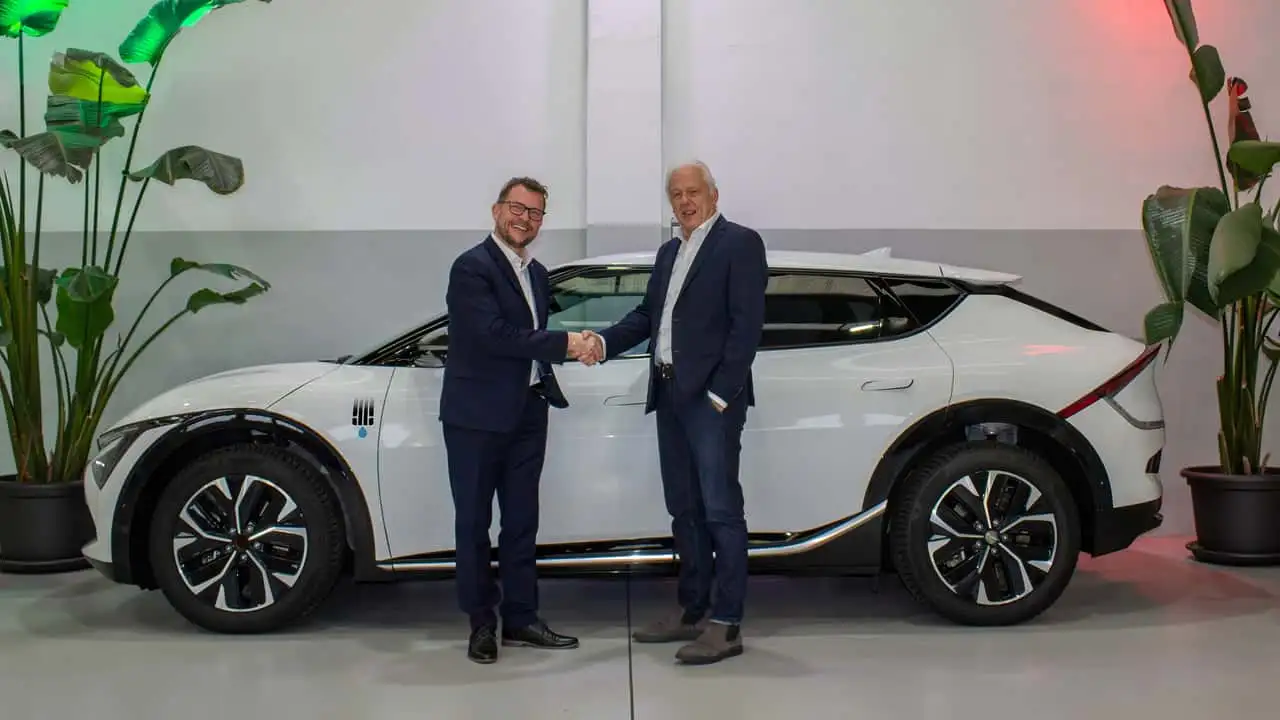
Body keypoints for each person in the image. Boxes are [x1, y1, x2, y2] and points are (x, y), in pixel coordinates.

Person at [580, 160, 768, 665]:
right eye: (676, 194)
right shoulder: (669, 253)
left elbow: (746, 325)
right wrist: (602, 342)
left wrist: (721, 395)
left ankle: (727, 624)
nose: (685, 201)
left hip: (710, 403)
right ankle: (693, 610)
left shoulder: (739, 243)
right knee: (683, 510)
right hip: (669, 395)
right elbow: (648, 316)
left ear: (713, 194)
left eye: (693, 192)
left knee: (721, 511)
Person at [439, 176, 596, 664]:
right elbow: (494, 335)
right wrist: (568, 344)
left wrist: (571, 349)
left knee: (522, 522)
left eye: (535, 213)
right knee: (473, 524)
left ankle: (523, 619)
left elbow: (527, 336)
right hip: (475, 416)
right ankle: (482, 624)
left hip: (528, 410)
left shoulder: (538, 273)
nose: (525, 219)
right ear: (497, 210)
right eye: (517, 208)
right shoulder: (471, 268)